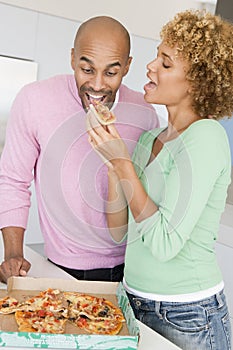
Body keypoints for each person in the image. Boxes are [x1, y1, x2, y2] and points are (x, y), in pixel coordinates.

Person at [87, 10, 233, 350]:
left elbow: (165, 243)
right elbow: (119, 230)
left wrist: (121, 162)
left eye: (165, 63)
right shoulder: (148, 140)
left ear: (197, 82)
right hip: (135, 303)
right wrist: (113, 164)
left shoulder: (206, 137)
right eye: (157, 56)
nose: (151, 67)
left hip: (188, 315)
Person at [0, 16, 159, 283]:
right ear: (73, 58)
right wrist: (13, 253)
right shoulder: (35, 100)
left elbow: (148, 196)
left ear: (128, 66)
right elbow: (13, 180)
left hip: (133, 270)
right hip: (62, 269)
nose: (97, 85)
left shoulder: (144, 114)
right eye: (87, 69)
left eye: (111, 73)